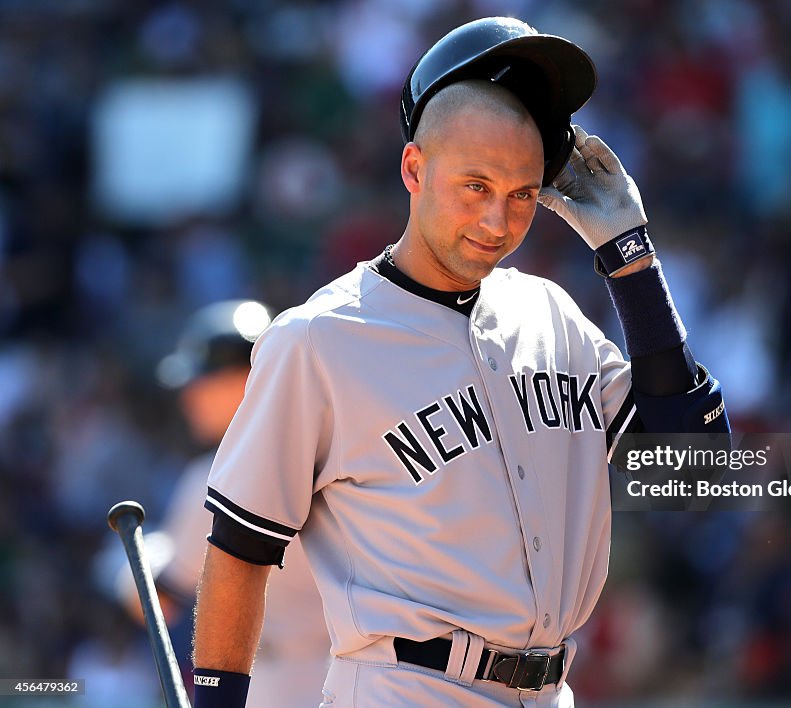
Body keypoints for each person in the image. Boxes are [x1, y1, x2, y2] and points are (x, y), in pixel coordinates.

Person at [191, 17, 730, 707]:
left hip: (553, 689)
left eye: (523, 194)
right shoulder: (317, 339)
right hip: (407, 687)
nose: (498, 222)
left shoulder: (551, 314)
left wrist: (630, 257)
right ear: (415, 168)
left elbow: (699, 467)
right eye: (475, 186)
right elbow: (240, 550)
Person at [121, 299, 331, 707]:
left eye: (205, 379)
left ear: (249, 377)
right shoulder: (332, 448)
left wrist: (119, 566)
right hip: (359, 677)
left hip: (273, 683)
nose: (189, 395)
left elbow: (157, 601)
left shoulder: (214, 476)